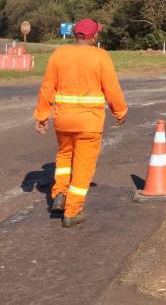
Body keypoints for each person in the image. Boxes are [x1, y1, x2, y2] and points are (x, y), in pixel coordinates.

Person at [33, 18, 127, 228]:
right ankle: (72, 211)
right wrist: (120, 111)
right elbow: (112, 88)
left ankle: (60, 192)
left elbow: (47, 87)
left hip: (63, 120)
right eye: (97, 34)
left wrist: (41, 115)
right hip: (89, 122)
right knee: (83, 166)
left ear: (76, 35)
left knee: (65, 155)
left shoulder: (59, 54)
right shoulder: (100, 56)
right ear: (93, 37)